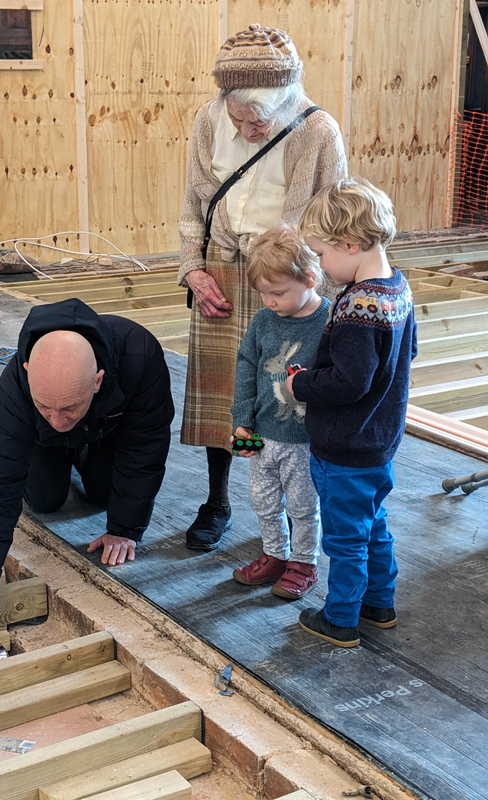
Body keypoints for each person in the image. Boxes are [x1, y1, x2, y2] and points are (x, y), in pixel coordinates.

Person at [0, 298, 174, 668]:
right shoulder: (17, 389)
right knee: (43, 499)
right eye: (45, 407)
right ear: (27, 373)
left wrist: (125, 527)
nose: (57, 418)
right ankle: (67, 447)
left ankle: (87, 446)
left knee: (106, 495)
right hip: (44, 442)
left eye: (68, 407)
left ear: (98, 380)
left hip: (108, 429)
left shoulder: (139, 354)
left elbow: (146, 448)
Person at [178, 23, 347, 551]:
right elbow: (194, 208)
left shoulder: (318, 131)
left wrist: (325, 298)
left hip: (289, 279)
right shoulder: (208, 120)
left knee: (287, 400)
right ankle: (218, 501)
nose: (248, 130)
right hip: (221, 272)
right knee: (226, 396)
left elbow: (335, 226)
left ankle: (300, 523)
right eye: (239, 118)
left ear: (287, 99)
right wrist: (192, 268)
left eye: (260, 121)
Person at [286, 177, 417, 647]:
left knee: (344, 538)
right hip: (380, 443)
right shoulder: (397, 288)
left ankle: (340, 618)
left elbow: (349, 381)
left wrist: (300, 383)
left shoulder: (358, 308)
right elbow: (409, 352)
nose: (320, 267)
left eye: (321, 255)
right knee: (373, 525)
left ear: (351, 243)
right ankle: (379, 604)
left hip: (345, 447)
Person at [231, 225, 329, 599]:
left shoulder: (327, 322)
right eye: (263, 293)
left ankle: (304, 562)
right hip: (263, 434)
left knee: (304, 506)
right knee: (263, 500)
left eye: (278, 293)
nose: (269, 301)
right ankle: (274, 554)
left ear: (309, 278)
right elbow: (245, 367)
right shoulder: (263, 321)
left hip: (304, 440)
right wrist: (241, 419)